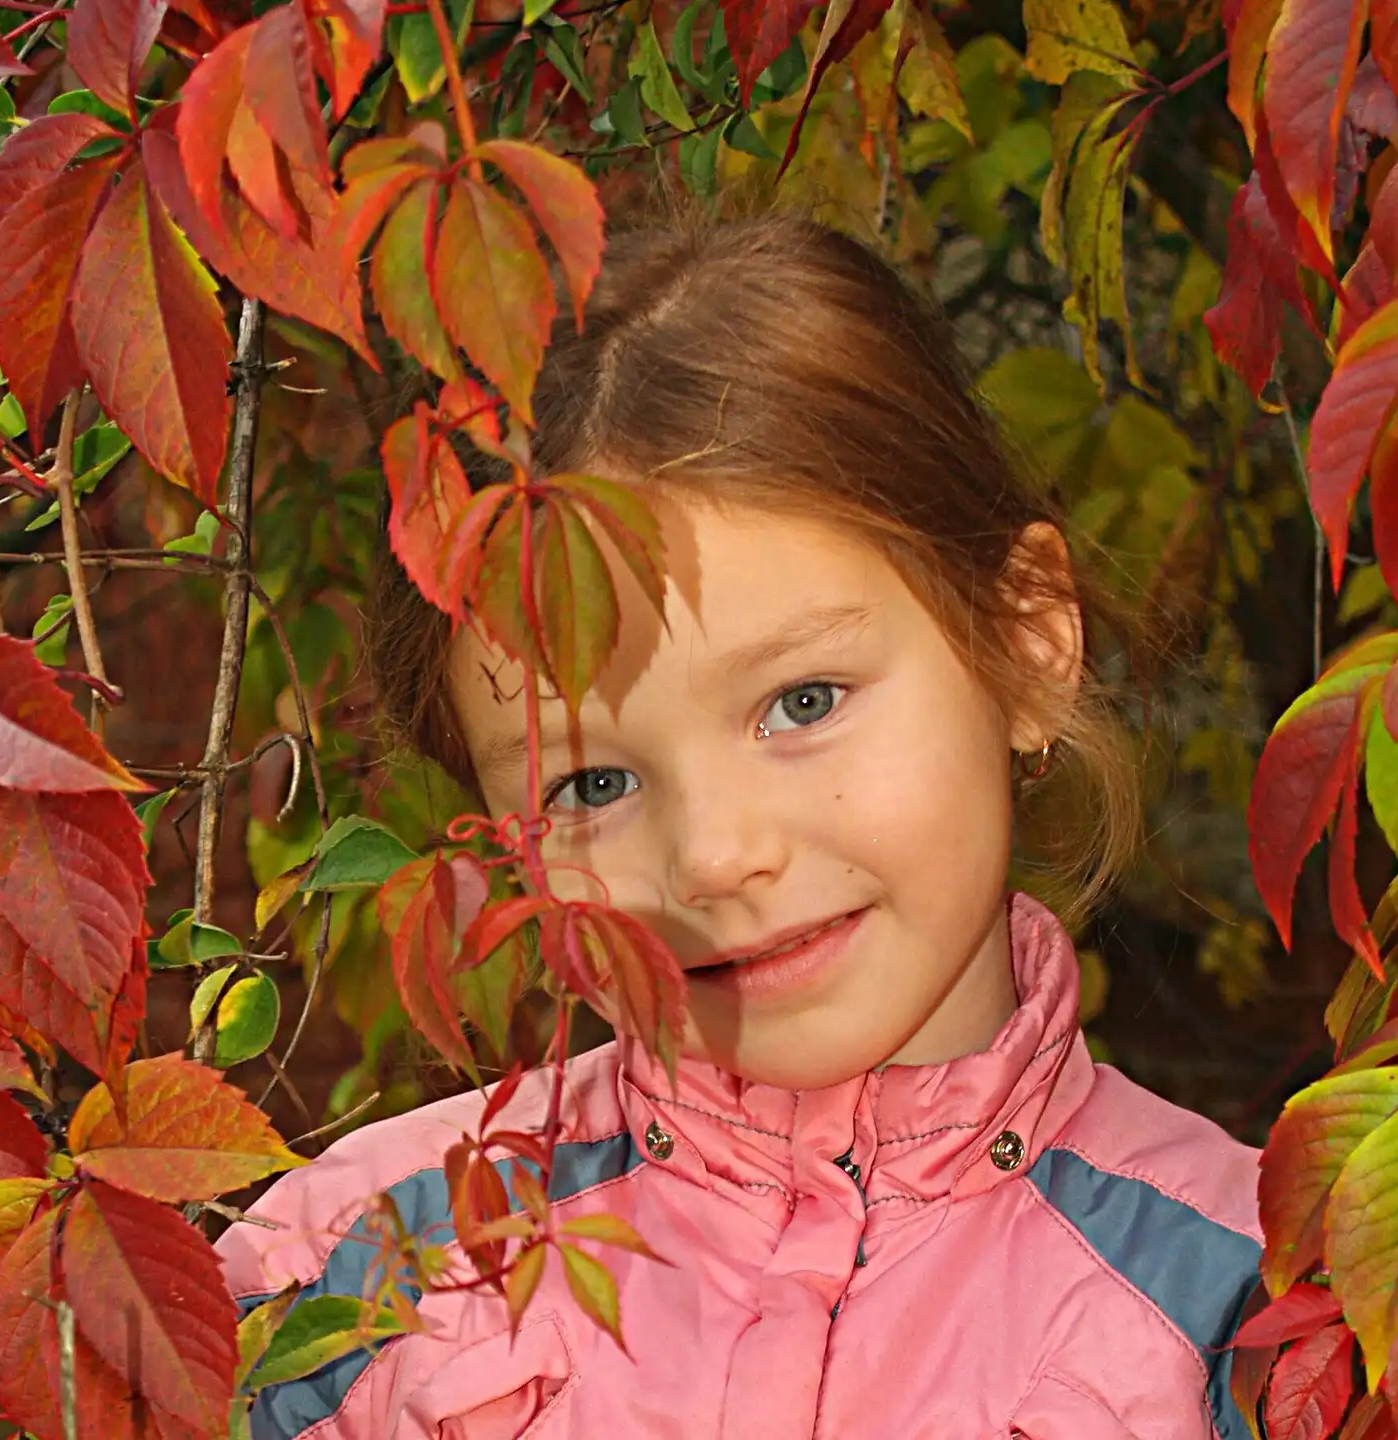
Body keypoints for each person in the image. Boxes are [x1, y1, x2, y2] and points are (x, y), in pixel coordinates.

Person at [216, 210, 1264, 1439]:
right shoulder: (355, 1282)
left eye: (801, 703)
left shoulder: (1240, 1313)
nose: (713, 858)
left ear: (1027, 640)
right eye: (590, 786)